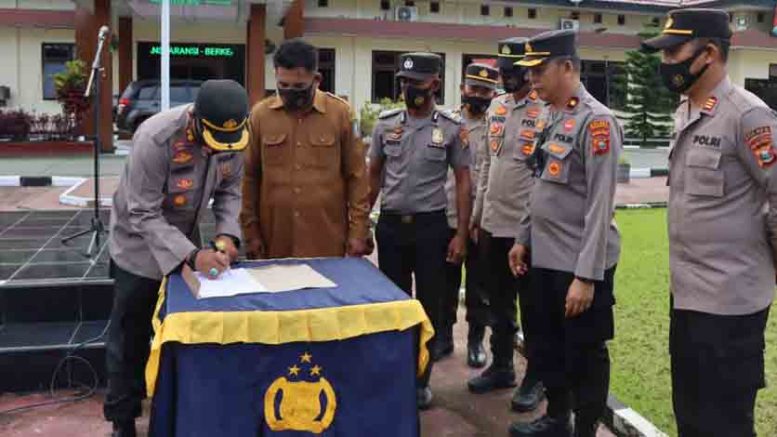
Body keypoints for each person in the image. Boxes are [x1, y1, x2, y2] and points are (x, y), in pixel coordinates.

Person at [643, 9, 776, 436]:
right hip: (686, 297)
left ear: (710, 53)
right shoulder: (687, 109)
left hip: (731, 305)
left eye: (674, 52)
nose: (666, 62)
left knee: (727, 422)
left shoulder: (748, 117)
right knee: (691, 414)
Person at [105, 80, 249, 437]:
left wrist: (227, 235)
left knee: (184, 332)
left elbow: (230, 191)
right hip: (138, 248)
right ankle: (123, 417)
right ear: (196, 119)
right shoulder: (156, 138)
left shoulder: (233, 137)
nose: (218, 148)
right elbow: (143, 212)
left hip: (186, 241)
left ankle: (178, 407)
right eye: (211, 139)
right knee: (131, 336)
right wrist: (192, 255)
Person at [508, 30, 622, 437]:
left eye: (540, 70)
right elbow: (539, 183)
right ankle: (558, 418)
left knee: (584, 354)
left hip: (578, 262)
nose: (532, 79)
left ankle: (585, 429)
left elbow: (600, 205)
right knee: (546, 346)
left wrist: (586, 277)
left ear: (568, 67)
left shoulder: (597, 122)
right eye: (530, 71)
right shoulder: (550, 115)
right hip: (544, 256)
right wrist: (522, 238)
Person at [368, 52, 472, 409]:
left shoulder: (452, 128)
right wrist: (359, 223)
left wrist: (460, 234)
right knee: (393, 304)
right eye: (404, 82)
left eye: (416, 82)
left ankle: (420, 379)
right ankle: (395, 374)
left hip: (431, 229)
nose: (408, 88)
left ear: (434, 84)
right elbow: (373, 175)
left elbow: (463, 181)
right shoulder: (385, 125)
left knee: (429, 305)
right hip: (391, 228)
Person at [467, 37, 545, 415]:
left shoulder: (545, 109)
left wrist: (528, 230)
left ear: (529, 71)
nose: (508, 76)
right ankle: (501, 366)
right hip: (493, 223)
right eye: (504, 70)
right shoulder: (496, 106)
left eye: (516, 70)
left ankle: (537, 377)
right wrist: (476, 215)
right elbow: (486, 164)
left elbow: (543, 176)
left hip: (526, 228)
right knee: (498, 303)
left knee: (532, 307)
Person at [240, 38, 370, 259]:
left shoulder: (340, 114)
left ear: (316, 79)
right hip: (274, 239)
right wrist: (250, 232)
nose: (290, 92)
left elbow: (357, 176)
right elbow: (249, 177)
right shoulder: (260, 116)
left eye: (299, 87)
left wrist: (358, 231)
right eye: (283, 86)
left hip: (326, 238)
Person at [438, 62, 497, 367]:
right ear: (463, 89)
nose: (479, 95)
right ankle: (444, 337)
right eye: (474, 88)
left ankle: (476, 340)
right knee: (445, 285)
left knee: (479, 287)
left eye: (486, 91)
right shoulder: (446, 122)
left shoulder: (496, 125)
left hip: (482, 221)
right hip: (448, 215)